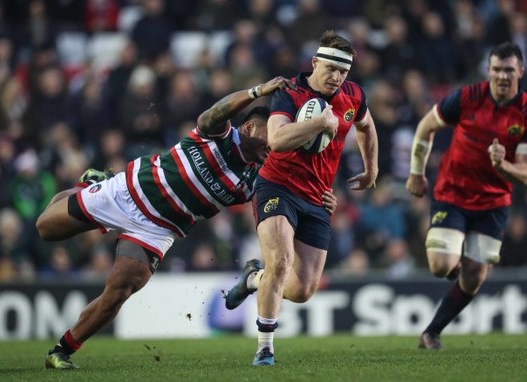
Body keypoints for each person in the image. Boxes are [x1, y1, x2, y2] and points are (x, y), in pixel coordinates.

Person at [36, 76, 339, 369]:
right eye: (268, 136)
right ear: (248, 126)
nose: (272, 146)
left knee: (119, 292)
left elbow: (289, 201)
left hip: (158, 230)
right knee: (45, 228)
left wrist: (321, 200)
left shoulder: (260, 179)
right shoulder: (218, 133)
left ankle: (62, 351)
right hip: (128, 192)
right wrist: (256, 91)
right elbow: (213, 113)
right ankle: (88, 187)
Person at [224, 30, 378, 366]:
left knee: (303, 289)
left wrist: (371, 169)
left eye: (343, 72)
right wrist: (321, 123)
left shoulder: (354, 95)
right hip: (277, 186)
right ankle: (265, 347)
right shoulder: (290, 93)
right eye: (331, 69)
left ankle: (253, 278)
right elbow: (277, 140)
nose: (337, 77)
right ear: (315, 62)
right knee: (280, 262)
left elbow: (366, 127)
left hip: (318, 199)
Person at [406, 42, 527, 349]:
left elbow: (525, 173)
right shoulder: (467, 97)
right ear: (488, 70)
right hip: (453, 193)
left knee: (474, 277)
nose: (502, 75)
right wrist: (417, 172)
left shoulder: (525, 113)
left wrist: (503, 165)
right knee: (440, 266)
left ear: (520, 72)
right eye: (497, 69)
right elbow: (425, 127)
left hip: (493, 204)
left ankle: (431, 332)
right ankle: (457, 259)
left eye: (509, 70)